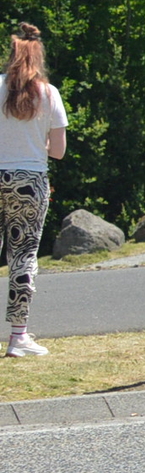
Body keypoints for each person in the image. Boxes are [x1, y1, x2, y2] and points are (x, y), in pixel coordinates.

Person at [1, 22, 68, 358]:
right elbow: (58, 151)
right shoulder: (49, 94)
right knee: (23, 257)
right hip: (31, 181)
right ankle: (18, 337)